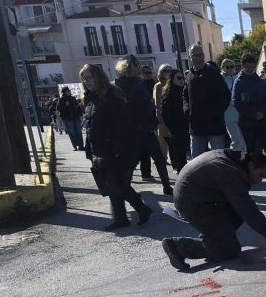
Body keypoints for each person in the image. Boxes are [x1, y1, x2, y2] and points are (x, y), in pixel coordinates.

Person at [161, 149, 266, 271]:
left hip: (198, 197)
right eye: (260, 175)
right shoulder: (230, 171)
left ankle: (215, 237)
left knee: (237, 213)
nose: (260, 180)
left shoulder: (233, 161)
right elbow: (246, 207)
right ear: (251, 166)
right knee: (230, 249)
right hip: (193, 203)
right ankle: (179, 247)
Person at [79, 63, 151, 231]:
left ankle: (141, 208)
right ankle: (121, 217)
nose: (86, 81)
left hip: (114, 149)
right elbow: (90, 125)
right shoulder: (90, 97)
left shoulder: (112, 95)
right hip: (98, 149)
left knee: (115, 183)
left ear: (97, 77)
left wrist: (118, 148)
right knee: (111, 185)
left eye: (89, 77)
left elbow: (123, 124)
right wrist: (89, 149)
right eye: (83, 78)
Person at [114, 54, 172, 195]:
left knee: (140, 162)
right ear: (132, 66)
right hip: (138, 129)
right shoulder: (129, 83)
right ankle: (165, 187)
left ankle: (165, 186)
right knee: (149, 160)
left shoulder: (127, 82)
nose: (141, 66)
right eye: (138, 64)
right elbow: (136, 104)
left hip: (139, 128)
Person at [232, 54, 266, 183]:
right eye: (248, 67)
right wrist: (252, 114)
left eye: (252, 67)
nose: (250, 69)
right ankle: (252, 176)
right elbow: (236, 102)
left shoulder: (260, 81)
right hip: (247, 123)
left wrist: (262, 112)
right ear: (243, 66)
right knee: (252, 151)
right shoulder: (239, 82)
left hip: (263, 120)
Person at [184, 44, 231, 157]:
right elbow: (185, 96)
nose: (198, 58)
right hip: (196, 127)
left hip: (215, 126)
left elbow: (226, 95)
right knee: (196, 161)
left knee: (219, 159)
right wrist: (187, 110)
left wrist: (217, 113)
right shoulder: (189, 76)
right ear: (190, 57)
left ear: (204, 56)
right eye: (194, 55)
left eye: (200, 54)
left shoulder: (213, 72)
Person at [159, 69, 190, 175]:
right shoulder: (169, 94)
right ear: (172, 80)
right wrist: (174, 128)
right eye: (179, 78)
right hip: (177, 130)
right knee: (181, 157)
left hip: (188, 127)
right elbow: (165, 114)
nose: (182, 80)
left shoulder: (186, 90)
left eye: (183, 78)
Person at [220, 59, 246, 157]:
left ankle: (244, 163)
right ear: (222, 68)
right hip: (228, 115)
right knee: (237, 141)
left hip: (241, 113)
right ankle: (233, 159)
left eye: (232, 66)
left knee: (244, 142)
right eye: (227, 67)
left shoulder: (238, 79)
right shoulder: (221, 80)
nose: (230, 68)